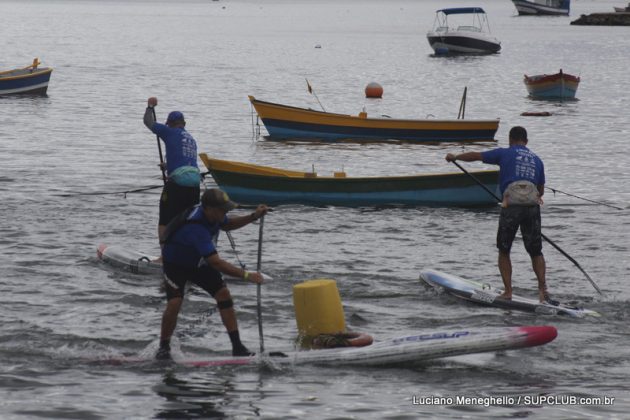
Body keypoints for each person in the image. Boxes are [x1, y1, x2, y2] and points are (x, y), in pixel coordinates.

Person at [156, 188, 269, 360]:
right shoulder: (195, 227)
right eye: (222, 209)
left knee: (223, 294)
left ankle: (237, 347)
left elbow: (228, 224)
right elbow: (216, 262)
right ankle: (163, 348)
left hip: (196, 262)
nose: (225, 212)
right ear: (208, 208)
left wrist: (253, 216)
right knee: (175, 302)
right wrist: (246, 275)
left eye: (225, 209)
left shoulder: (214, 214)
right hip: (175, 264)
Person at [445, 126, 551, 303]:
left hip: (511, 206)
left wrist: (455, 157)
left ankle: (508, 291)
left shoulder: (505, 153)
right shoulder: (537, 160)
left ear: (510, 139)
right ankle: (542, 291)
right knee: (536, 251)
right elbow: (540, 191)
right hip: (532, 208)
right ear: (526, 141)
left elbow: (476, 156)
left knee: (504, 249)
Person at [144, 97, 201, 249]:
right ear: (184, 124)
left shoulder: (169, 132)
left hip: (178, 184)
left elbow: (148, 122)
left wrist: (150, 106)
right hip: (195, 184)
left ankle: (165, 257)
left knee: (165, 220)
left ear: (169, 124)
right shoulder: (191, 139)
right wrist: (168, 165)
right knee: (186, 220)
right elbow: (185, 160)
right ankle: (186, 252)